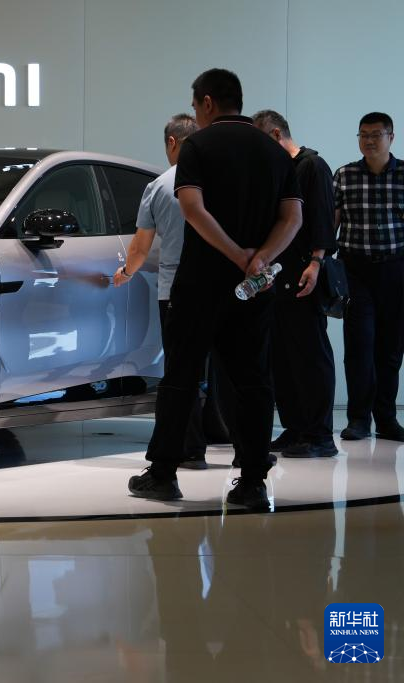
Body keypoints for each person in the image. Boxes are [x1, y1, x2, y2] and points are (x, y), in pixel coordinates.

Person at [127, 68, 302, 510]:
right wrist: (259, 258)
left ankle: (163, 474)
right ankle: (253, 481)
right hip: (253, 287)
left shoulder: (198, 146)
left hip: (200, 283)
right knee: (252, 381)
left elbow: (192, 208)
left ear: (207, 103)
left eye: (196, 105)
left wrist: (235, 253)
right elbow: (293, 218)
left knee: (181, 377)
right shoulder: (274, 151)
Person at [113, 113, 209, 469]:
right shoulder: (217, 180)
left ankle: (188, 448)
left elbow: (140, 247)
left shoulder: (160, 186)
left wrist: (126, 272)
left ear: (172, 142)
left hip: (176, 291)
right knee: (225, 369)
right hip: (220, 287)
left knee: (181, 370)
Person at [250, 111, 338, 458]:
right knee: (283, 356)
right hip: (278, 276)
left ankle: (320, 434)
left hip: (304, 273)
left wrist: (316, 262)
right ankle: (296, 427)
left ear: (275, 135)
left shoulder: (312, 166)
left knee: (311, 354)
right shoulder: (279, 170)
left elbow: (323, 218)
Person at [333, 112, 404, 442]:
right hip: (355, 271)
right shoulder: (345, 175)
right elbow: (331, 222)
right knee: (359, 346)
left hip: (396, 269)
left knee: (391, 349)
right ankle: (358, 419)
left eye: (376, 134)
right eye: (363, 135)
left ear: (391, 137)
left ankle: (386, 419)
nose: (369, 141)